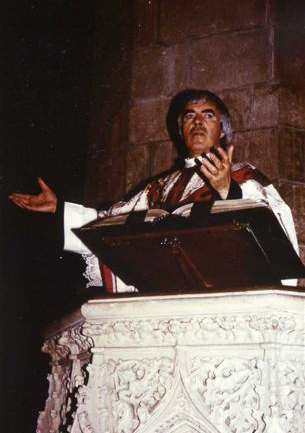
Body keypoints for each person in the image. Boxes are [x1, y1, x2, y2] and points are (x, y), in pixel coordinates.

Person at [9, 89, 299, 291]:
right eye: (189, 116)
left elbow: (273, 232)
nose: (197, 122)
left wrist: (228, 191)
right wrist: (59, 208)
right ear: (180, 129)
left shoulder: (244, 176)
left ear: (222, 130)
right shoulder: (159, 187)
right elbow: (111, 223)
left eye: (208, 115)